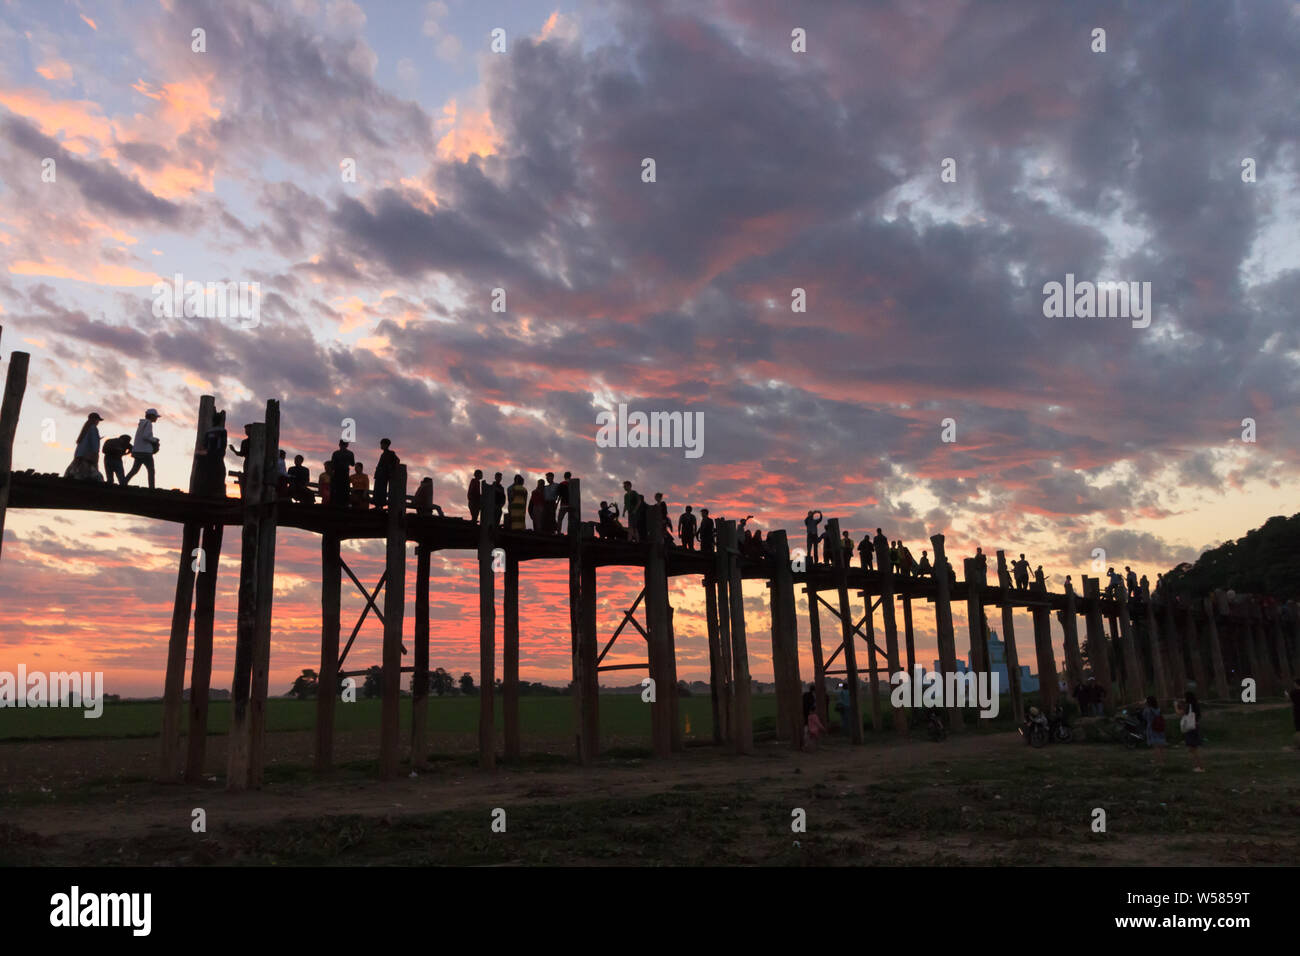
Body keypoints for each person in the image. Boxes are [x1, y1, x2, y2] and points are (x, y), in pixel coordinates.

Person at [193, 410, 228, 497]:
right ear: (220, 421)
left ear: (212, 421)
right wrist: (221, 453)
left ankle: (205, 491)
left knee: (207, 474)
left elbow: (205, 444)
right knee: (219, 474)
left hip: (208, 456)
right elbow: (223, 444)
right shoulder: (223, 431)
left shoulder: (208, 432)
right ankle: (217, 492)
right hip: (217, 456)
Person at [123, 408, 161, 488]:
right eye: (156, 416)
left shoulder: (142, 424)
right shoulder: (149, 424)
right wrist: (155, 440)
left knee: (135, 470)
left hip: (137, 451)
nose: (156, 418)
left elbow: (143, 436)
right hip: (145, 452)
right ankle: (152, 488)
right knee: (151, 470)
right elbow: (146, 436)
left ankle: (123, 482)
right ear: (152, 416)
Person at [66, 413, 104, 480]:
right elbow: (94, 442)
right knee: (89, 476)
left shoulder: (85, 428)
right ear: (95, 419)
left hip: (79, 455)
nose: (98, 422)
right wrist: (95, 453)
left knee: (76, 473)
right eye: (98, 420)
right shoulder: (93, 428)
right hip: (88, 456)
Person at [1176, 700, 1204, 771]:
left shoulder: (1188, 708)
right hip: (1192, 730)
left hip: (1190, 730)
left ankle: (1199, 767)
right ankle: (1198, 766)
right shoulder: (1192, 707)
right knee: (1193, 749)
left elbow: (1179, 713)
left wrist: (1175, 705)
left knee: (1193, 750)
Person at [373, 439, 399, 510]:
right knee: (377, 490)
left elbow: (397, 461)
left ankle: (380, 506)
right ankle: (377, 506)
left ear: (386, 445)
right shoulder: (383, 454)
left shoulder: (391, 453)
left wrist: (391, 471)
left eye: (382, 444)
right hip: (379, 475)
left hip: (384, 475)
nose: (381, 445)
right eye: (381, 444)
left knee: (382, 490)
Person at [1141, 695, 1166, 765]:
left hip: (1152, 728)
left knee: (1155, 746)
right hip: (1160, 728)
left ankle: (1159, 761)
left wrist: (1144, 706)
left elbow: (1144, 716)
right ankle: (1161, 760)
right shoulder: (1158, 709)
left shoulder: (1148, 709)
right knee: (1160, 745)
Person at [329, 441, 354, 508]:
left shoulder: (336, 453)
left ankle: (337, 503)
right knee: (343, 489)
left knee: (339, 489)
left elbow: (332, 465)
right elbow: (352, 463)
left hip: (340, 473)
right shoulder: (350, 453)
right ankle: (342, 504)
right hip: (342, 473)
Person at [1290, 677, 1300, 748]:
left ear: (1296, 684)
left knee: (1298, 728)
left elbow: (1291, 700)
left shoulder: (1293, 692)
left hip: (1297, 711)